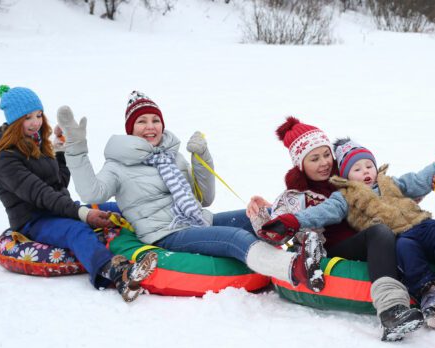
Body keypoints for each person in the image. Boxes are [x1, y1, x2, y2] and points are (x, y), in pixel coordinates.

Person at [57, 91, 310, 288]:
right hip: (164, 233)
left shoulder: (172, 157)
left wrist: (202, 157)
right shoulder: (117, 165)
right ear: (130, 130)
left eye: (155, 120)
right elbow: (92, 194)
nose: (150, 127)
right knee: (236, 238)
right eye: (142, 121)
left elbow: (204, 199)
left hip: (196, 220)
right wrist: (76, 149)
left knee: (258, 214)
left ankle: (309, 244)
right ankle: (294, 268)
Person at [259, 137, 435, 329]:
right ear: (345, 175)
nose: (366, 171)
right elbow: (323, 212)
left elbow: (419, 179)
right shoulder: (344, 196)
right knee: (405, 249)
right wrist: (294, 221)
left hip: (421, 223)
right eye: (357, 169)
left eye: (369, 166)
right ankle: (429, 294)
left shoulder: (391, 183)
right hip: (400, 237)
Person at [248, 117, 423, 341]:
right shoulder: (295, 196)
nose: (324, 163)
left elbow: (383, 191)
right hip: (335, 248)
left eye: (326, 154)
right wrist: (262, 215)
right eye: (314, 158)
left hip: (368, 235)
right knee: (379, 233)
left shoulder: (347, 175)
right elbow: (275, 232)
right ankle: (391, 313)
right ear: (301, 164)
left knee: (415, 231)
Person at [0, 85, 157, 302]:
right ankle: (118, 274)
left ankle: (165, 234)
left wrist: (60, 151)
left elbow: (59, 184)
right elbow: (41, 194)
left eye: (39, 115)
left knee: (120, 208)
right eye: (27, 117)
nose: (35, 122)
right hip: (35, 220)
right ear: (13, 121)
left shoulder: (37, 142)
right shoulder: (4, 159)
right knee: (76, 230)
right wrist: (83, 214)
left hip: (59, 207)